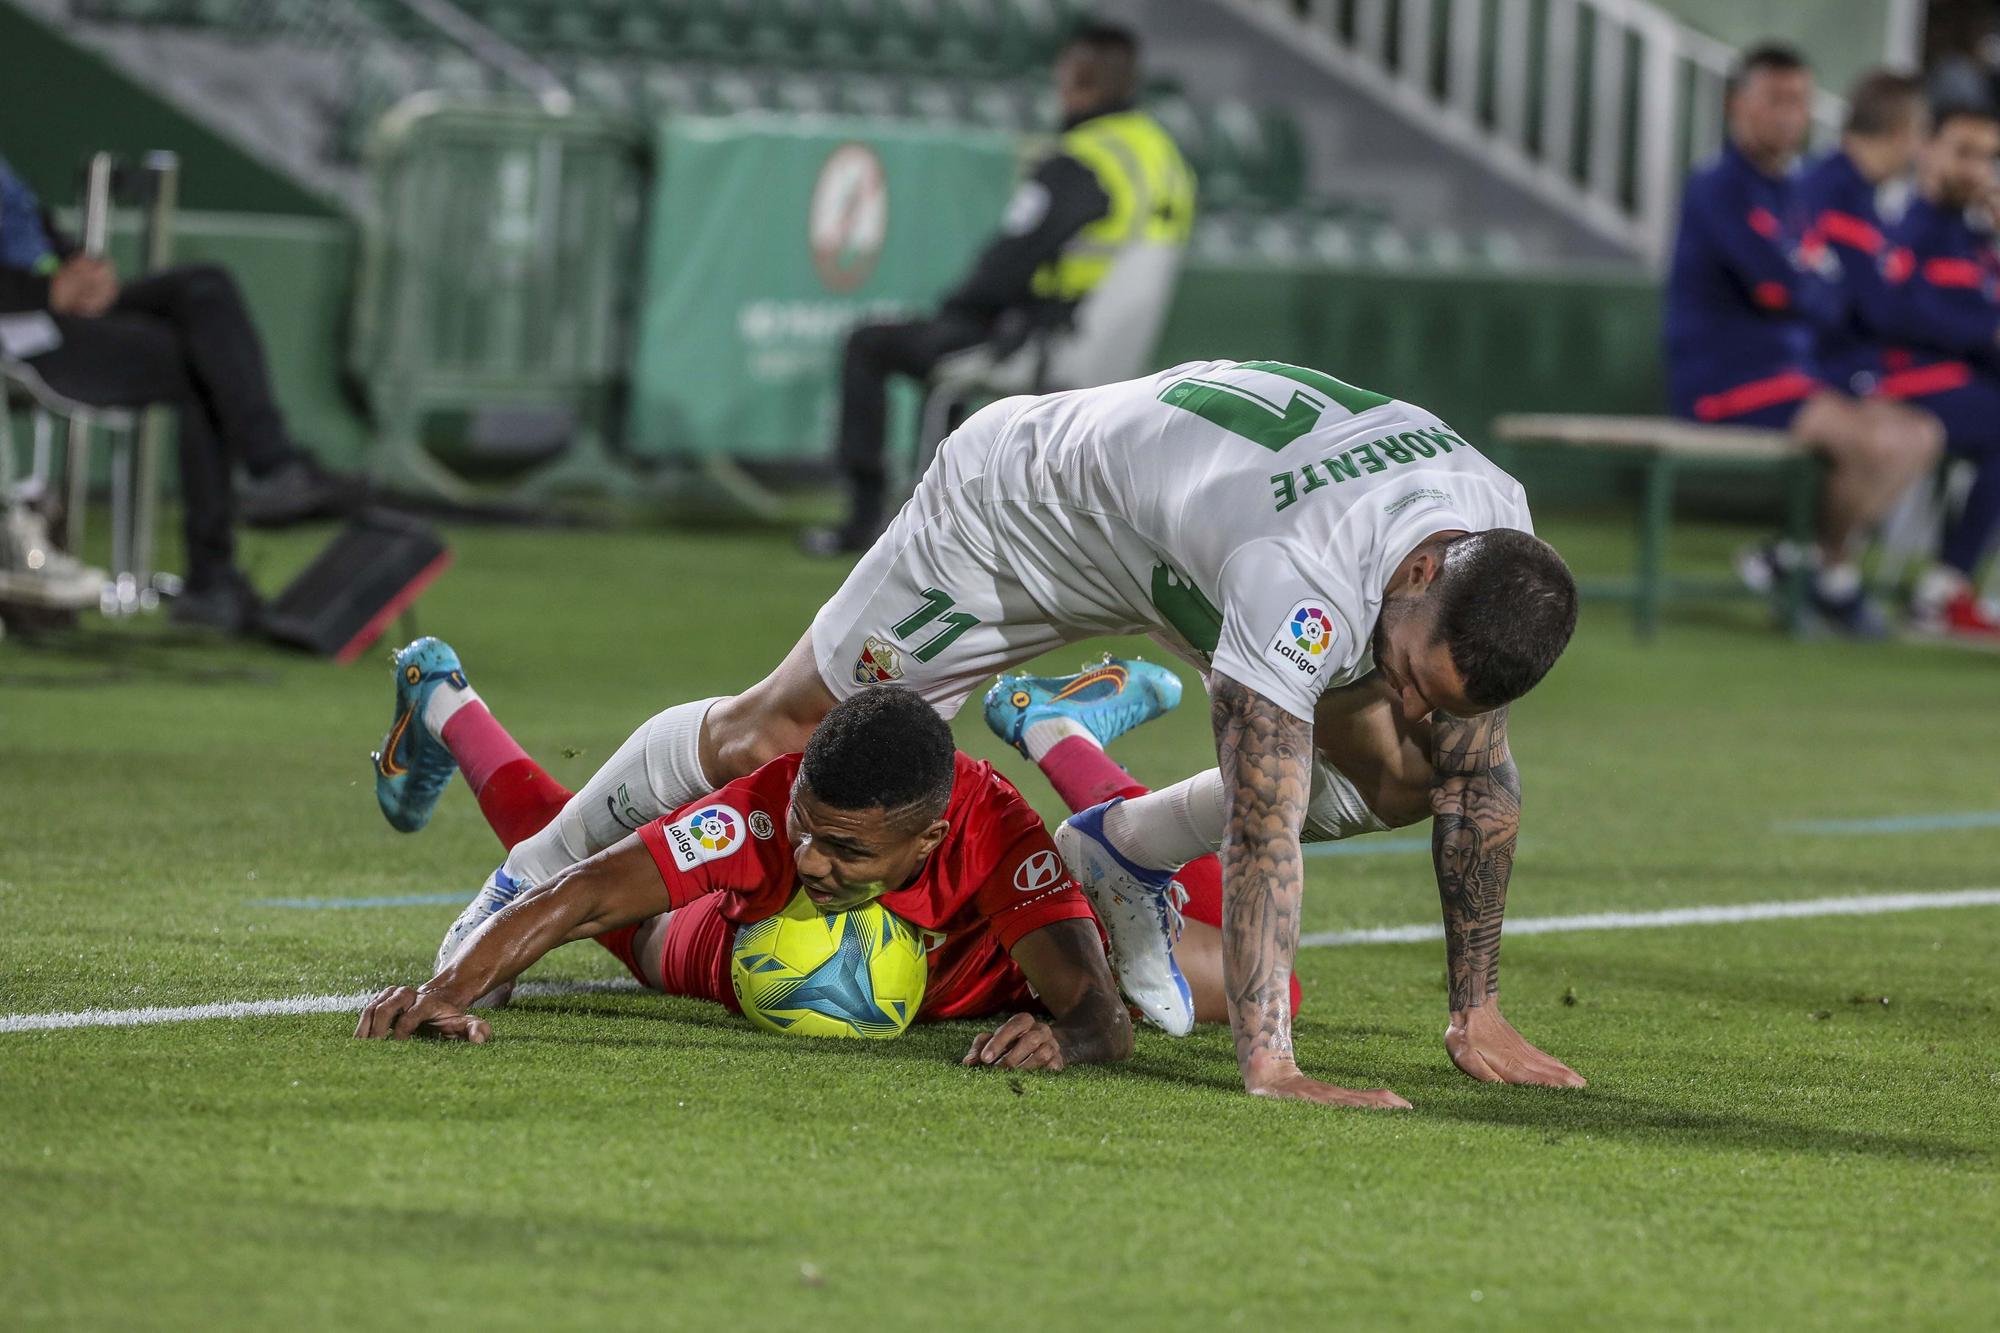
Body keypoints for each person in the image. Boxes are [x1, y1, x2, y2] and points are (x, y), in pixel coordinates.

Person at [380, 356, 1582, 1109]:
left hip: (1173, 540)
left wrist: (1469, 1004)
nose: (1414, 696)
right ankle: (518, 869)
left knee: (1415, 768)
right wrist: (1267, 1062)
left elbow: (1480, 781)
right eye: (1416, 671)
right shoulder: (1302, 574)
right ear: (1417, 569)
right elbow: (1266, 827)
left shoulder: (1492, 540)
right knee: (779, 742)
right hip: (1015, 523)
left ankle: (1124, 847)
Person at [358, 646, 1174, 1068]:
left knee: (1256, 982)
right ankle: (446, 701)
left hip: (971, 986)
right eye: (806, 829)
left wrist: (1063, 1043)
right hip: (711, 943)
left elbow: (1100, 1013)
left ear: (928, 838)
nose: (813, 861)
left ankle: (1055, 726)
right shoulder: (761, 811)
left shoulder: (996, 830)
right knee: (575, 844)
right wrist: (444, 991)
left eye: (847, 848)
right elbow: (583, 890)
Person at [802, 20, 1194, 555]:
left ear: (1079, 82)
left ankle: (884, 527)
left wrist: (958, 307)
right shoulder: (1164, 157)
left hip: (1045, 333)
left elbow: (1012, 258)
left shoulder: (1084, 157)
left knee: (873, 345)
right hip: (1110, 347)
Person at [0, 154, 354, 631]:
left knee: (205, 286)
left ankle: (273, 470)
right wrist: (45, 292)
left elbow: (33, 231)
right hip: (23, 328)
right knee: (201, 361)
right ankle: (218, 565)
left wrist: (84, 268)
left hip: (55, 306)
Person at [1664, 45, 1942, 637]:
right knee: (1874, 443)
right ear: (1738, 104)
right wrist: (1810, 283)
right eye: (1776, 99)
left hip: (1792, 377)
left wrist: (1809, 285)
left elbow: (1816, 291)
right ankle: (1824, 571)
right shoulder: (1718, 186)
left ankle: (1807, 564)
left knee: (1920, 434)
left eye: (1801, 101)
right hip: (1723, 380)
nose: (1791, 115)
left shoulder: (1790, 191)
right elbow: (1782, 286)